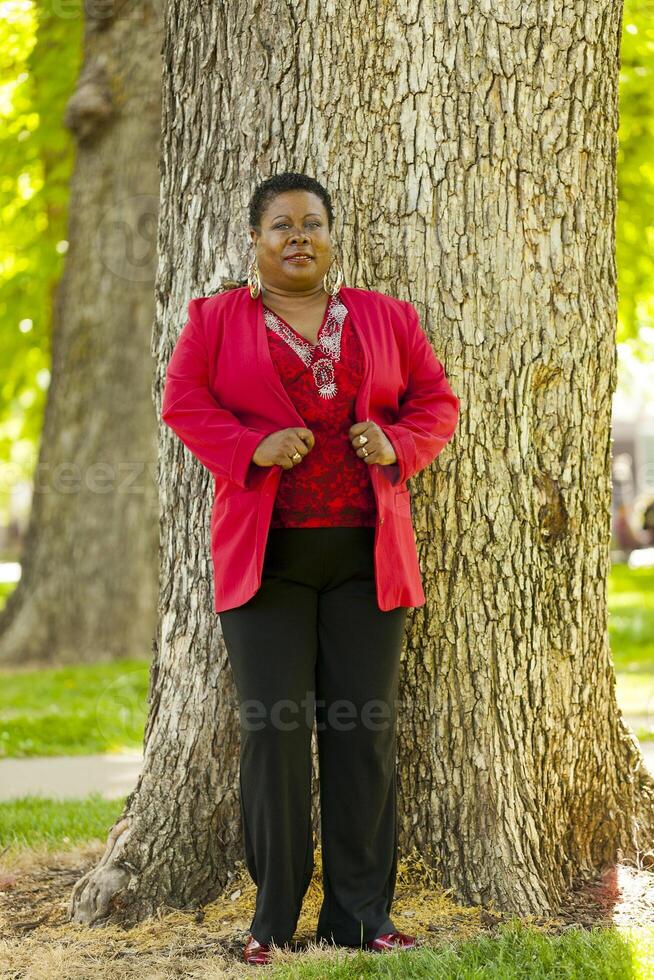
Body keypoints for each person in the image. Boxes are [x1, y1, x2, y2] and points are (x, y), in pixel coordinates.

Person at [160, 171, 459, 966]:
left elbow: (436, 401)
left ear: (332, 237)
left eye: (313, 223)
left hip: (368, 561)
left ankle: (361, 914)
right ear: (255, 241)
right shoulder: (215, 320)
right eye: (281, 225)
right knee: (277, 737)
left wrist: (398, 443)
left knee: (364, 736)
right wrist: (249, 446)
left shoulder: (387, 320)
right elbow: (183, 402)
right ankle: (273, 916)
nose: (299, 236)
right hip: (267, 565)